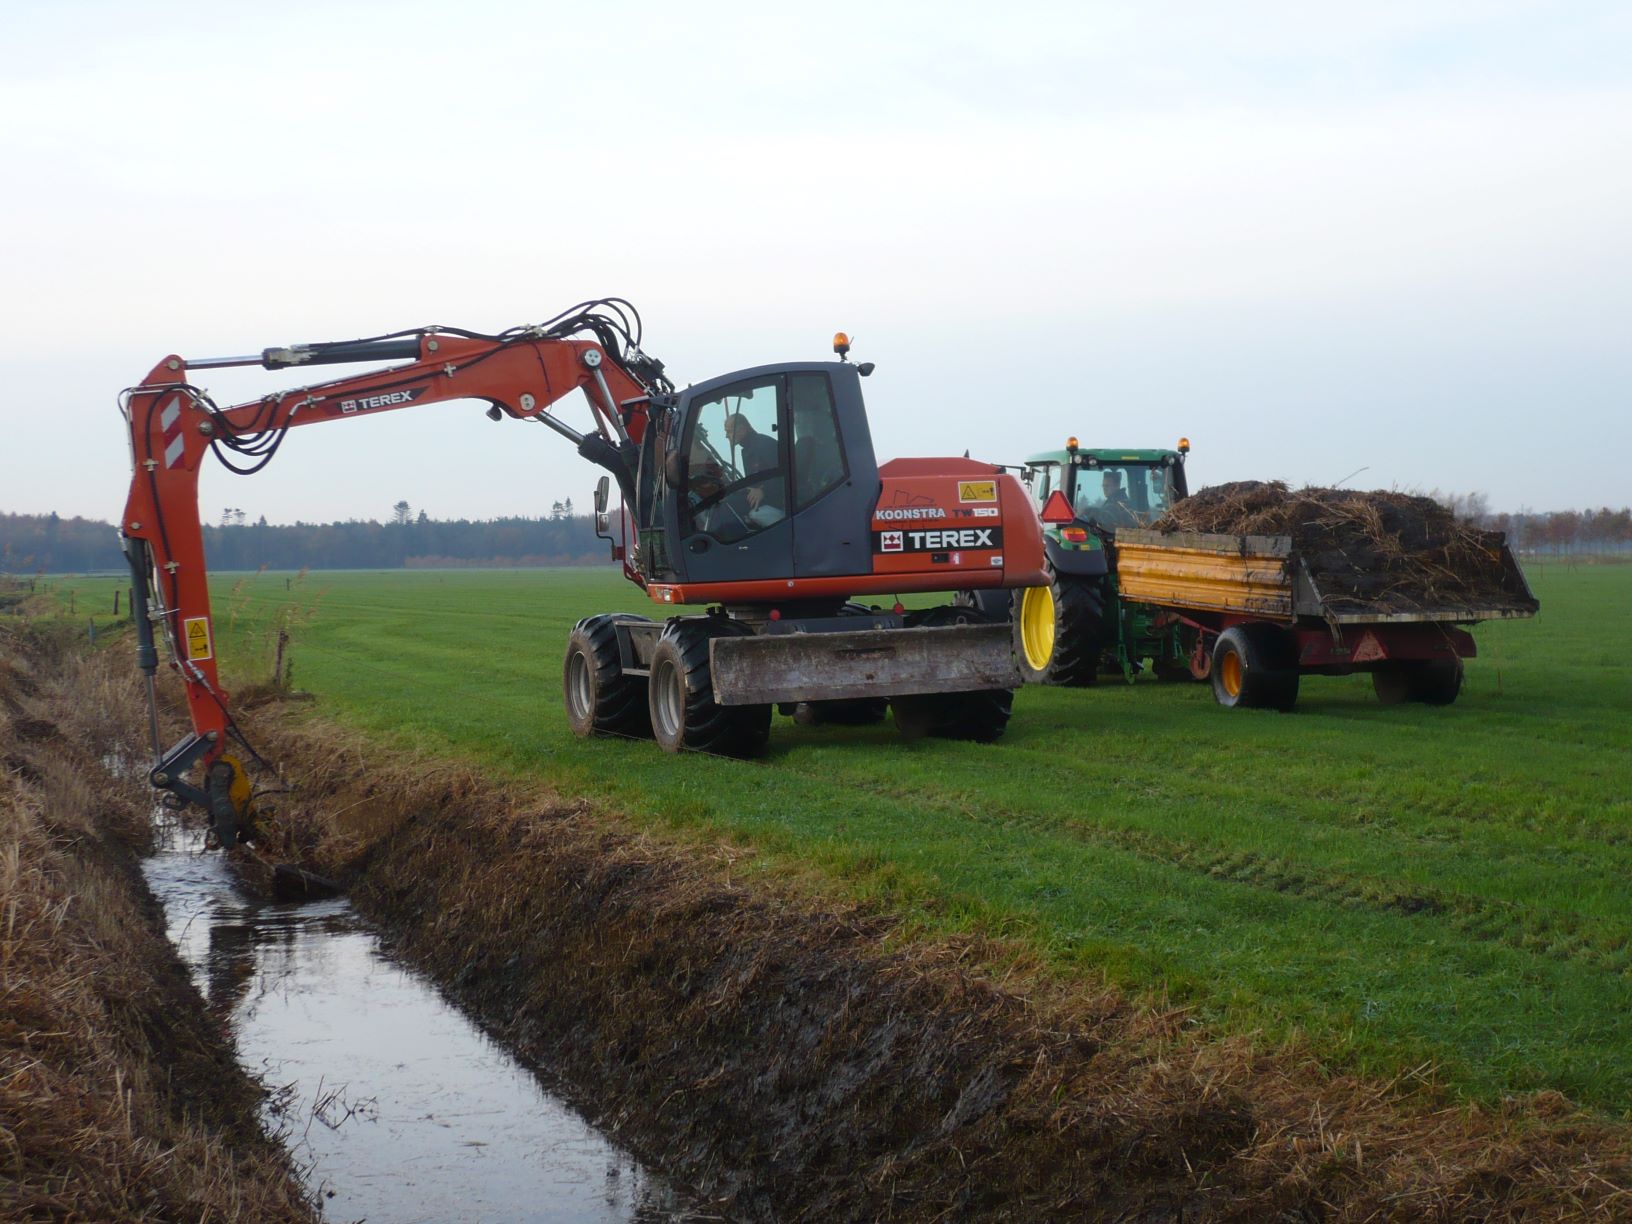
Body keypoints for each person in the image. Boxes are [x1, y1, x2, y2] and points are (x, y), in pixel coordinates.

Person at [722, 413, 785, 526]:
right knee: (725, 500)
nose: (726, 436)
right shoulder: (746, 450)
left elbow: (785, 474)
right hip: (763, 499)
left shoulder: (765, 444)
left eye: (729, 431)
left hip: (778, 501)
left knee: (727, 506)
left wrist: (763, 490)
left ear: (742, 429)